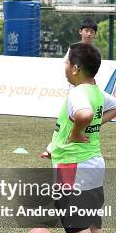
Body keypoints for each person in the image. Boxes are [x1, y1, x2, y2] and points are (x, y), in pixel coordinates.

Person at [50, 42, 116, 233]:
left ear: (76, 68)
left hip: (73, 165)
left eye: (66, 61)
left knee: (78, 225)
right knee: (93, 223)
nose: (64, 65)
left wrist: (79, 132)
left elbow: (83, 114)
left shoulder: (78, 93)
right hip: (92, 162)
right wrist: (59, 144)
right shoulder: (96, 91)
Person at [41, 18, 100, 159]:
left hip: (89, 90)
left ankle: (66, 144)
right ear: (80, 31)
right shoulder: (73, 49)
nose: (89, 34)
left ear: (95, 34)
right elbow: (68, 68)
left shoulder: (94, 51)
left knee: (85, 119)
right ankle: (52, 148)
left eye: (92, 31)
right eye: (86, 30)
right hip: (76, 90)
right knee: (67, 121)